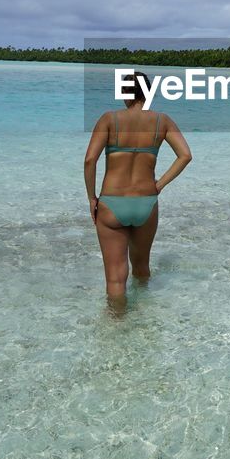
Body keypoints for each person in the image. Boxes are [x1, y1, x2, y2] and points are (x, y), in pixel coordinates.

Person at [83, 70, 192, 306]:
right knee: (142, 268)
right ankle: (145, 314)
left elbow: (90, 160)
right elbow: (185, 155)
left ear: (125, 93)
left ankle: (116, 328)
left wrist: (92, 198)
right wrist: (159, 185)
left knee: (115, 279)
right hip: (147, 202)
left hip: (112, 202)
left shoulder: (109, 119)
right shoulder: (162, 121)